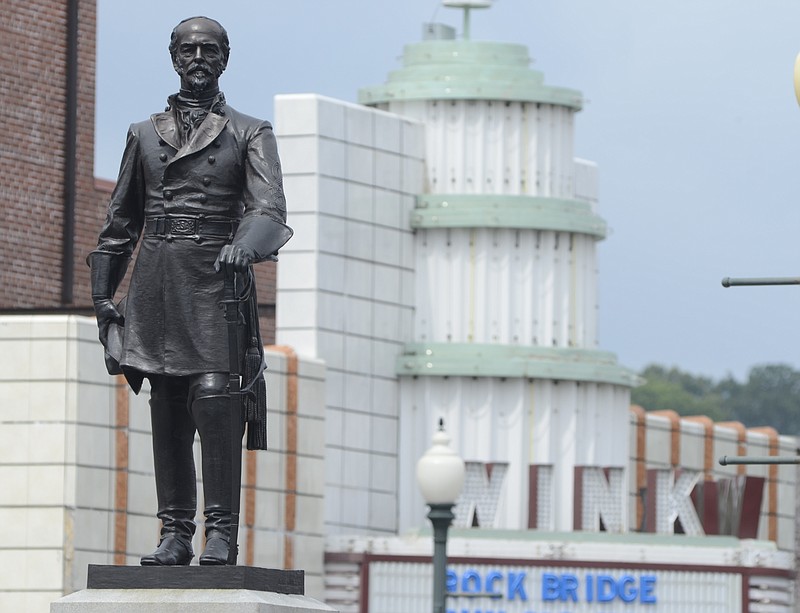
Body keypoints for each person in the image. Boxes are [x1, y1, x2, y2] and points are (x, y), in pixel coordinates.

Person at [88, 16, 292, 566]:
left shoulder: (250, 131)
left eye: (209, 49)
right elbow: (119, 224)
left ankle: (221, 532)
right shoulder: (142, 133)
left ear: (225, 58)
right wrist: (104, 299)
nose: (198, 58)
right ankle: (175, 532)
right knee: (169, 405)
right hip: (156, 284)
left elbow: (270, 210)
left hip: (214, 284)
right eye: (188, 49)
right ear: (173, 57)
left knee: (215, 400)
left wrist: (244, 246)